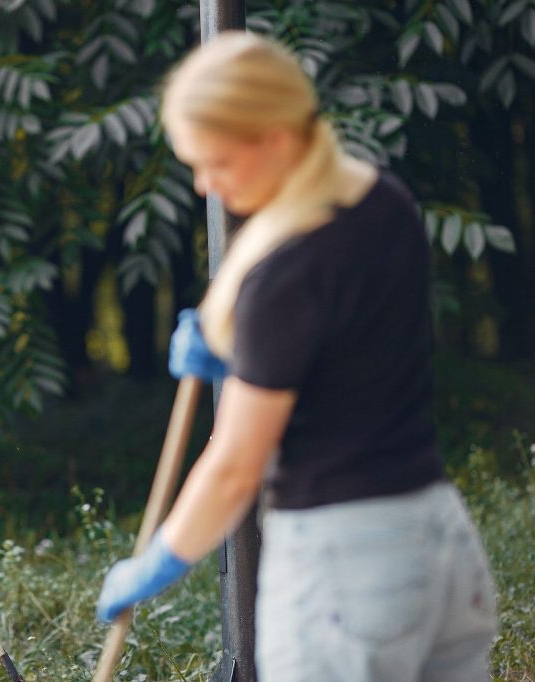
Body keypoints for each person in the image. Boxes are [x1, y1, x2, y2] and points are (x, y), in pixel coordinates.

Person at [95, 33, 497, 681]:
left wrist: (161, 560)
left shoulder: (284, 276)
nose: (205, 183)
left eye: (216, 161)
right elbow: (341, 351)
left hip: (345, 573)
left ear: (275, 138)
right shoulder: (384, 198)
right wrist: (241, 343)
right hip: (438, 540)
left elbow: (235, 467)